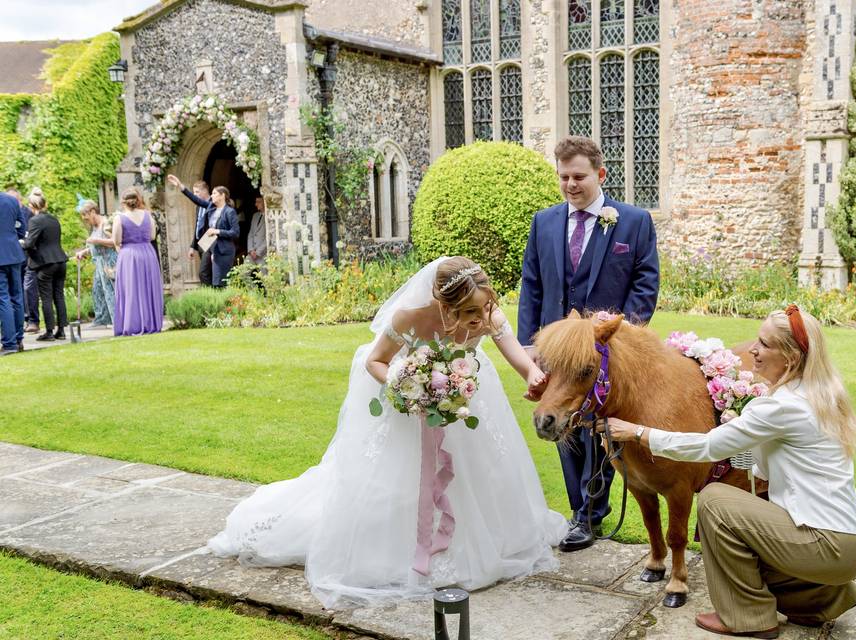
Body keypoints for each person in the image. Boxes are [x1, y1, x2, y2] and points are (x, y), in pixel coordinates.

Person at [208, 256, 568, 608]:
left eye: (483, 308)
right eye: (469, 312)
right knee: (404, 481)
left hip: (466, 400)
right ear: (444, 305)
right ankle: (405, 550)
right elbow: (375, 361)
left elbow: (516, 356)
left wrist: (533, 376)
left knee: (478, 474)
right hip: (410, 411)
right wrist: (407, 384)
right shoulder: (410, 318)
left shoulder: (487, 315)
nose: (478, 320)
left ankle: (476, 544)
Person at [600, 305, 856, 638]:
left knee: (714, 499)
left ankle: (748, 617)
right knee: (747, 530)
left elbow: (707, 447)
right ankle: (820, 602)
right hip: (848, 542)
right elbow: (767, 466)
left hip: (826, 544)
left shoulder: (780, 406)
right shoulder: (814, 393)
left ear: (791, 358)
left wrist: (638, 432)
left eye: (766, 344)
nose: (752, 350)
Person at [518, 135, 660, 552]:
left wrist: (619, 332)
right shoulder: (544, 222)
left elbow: (644, 284)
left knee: (600, 428)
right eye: (563, 177)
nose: (570, 185)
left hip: (604, 352)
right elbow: (533, 283)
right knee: (562, 426)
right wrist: (530, 344)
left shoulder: (632, 222)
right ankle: (580, 509)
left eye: (578, 176)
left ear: (600, 174)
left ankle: (589, 516)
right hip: (556, 350)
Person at [167, 175, 239, 287]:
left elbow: (235, 233)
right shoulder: (211, 207)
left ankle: (218, 297)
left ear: (222, 196)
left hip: (222, 245)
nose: (212, 195)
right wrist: (180, 186)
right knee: (203, 273)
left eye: (215, 193)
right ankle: (210, 296)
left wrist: (217, 231)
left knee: (219, 279)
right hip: (209, 241)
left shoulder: (229, 212)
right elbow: (196, 200)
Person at [112, 188, 164, 336]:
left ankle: (132, 324)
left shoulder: (120, 218)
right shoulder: (148, 215)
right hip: (147, 253)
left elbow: (116, 240)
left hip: (129, 255)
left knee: (131, 289)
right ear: (138, 201)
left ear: (124, 203)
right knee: (148, 288)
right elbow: (153, 236)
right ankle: (151, 322)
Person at [20, 188, 68, 341]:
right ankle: (61, 330)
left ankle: (49, 331)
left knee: (46, 298)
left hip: (46, 264)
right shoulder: (54, 219)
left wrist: (22, 242)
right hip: (60, 261)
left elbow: (30, 243)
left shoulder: (35, 220)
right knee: (59, 296)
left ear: (31, 206)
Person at [75, 201, 117, 328]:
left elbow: (115, 242)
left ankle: (118, 320)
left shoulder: (106, 224)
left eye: (86, 217)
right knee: (99, 292)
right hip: (99, 262)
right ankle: (102, 319)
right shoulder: (94, 227)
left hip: (110, 261)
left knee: (112, 291)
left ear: (93, 211)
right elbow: (94, 246)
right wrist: (84, 251)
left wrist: (96, 240)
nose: (86, 220)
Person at [6, 188, 40, 333]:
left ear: (19, 200)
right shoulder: (8, 212)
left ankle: (31, 320)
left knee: (26, 290)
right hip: (13, 256)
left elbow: (28, 235)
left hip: (26, 256)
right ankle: (19, 325)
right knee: (15, 291)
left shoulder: (29, 214)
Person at [0, 191, 26, 355]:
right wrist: (10, 238)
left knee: (3, 298)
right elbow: (22, 228)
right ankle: (18, 339)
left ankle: (9, 344)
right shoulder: (12, 200)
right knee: (16, 296)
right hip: (14, 254)